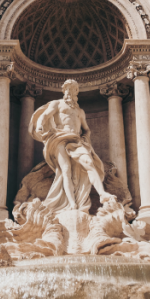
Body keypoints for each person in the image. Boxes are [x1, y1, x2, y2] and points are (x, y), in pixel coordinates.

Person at [30, 79, 112, 212]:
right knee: (66, 170)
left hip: (76, 140)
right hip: (59, 139)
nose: (69, 91)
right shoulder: (57, 104)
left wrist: (86, 139)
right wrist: (39, 126)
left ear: (76, 92)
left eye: (73, 89)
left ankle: (102, 194)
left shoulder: (80, 111)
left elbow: (86, 129)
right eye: (67, 88)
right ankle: (72, 204)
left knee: (89, 163)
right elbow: (45, 115)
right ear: (64, 91)